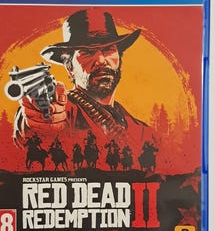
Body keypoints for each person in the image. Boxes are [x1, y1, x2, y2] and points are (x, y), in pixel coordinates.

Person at [13, 9, 153, 147]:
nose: (100, 60)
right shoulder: (65, 109)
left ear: (119, 60)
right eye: (87, 52)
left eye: (108, 49)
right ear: (70, 69)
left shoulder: (142, 131)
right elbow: (35, 127)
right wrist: (37, 114)